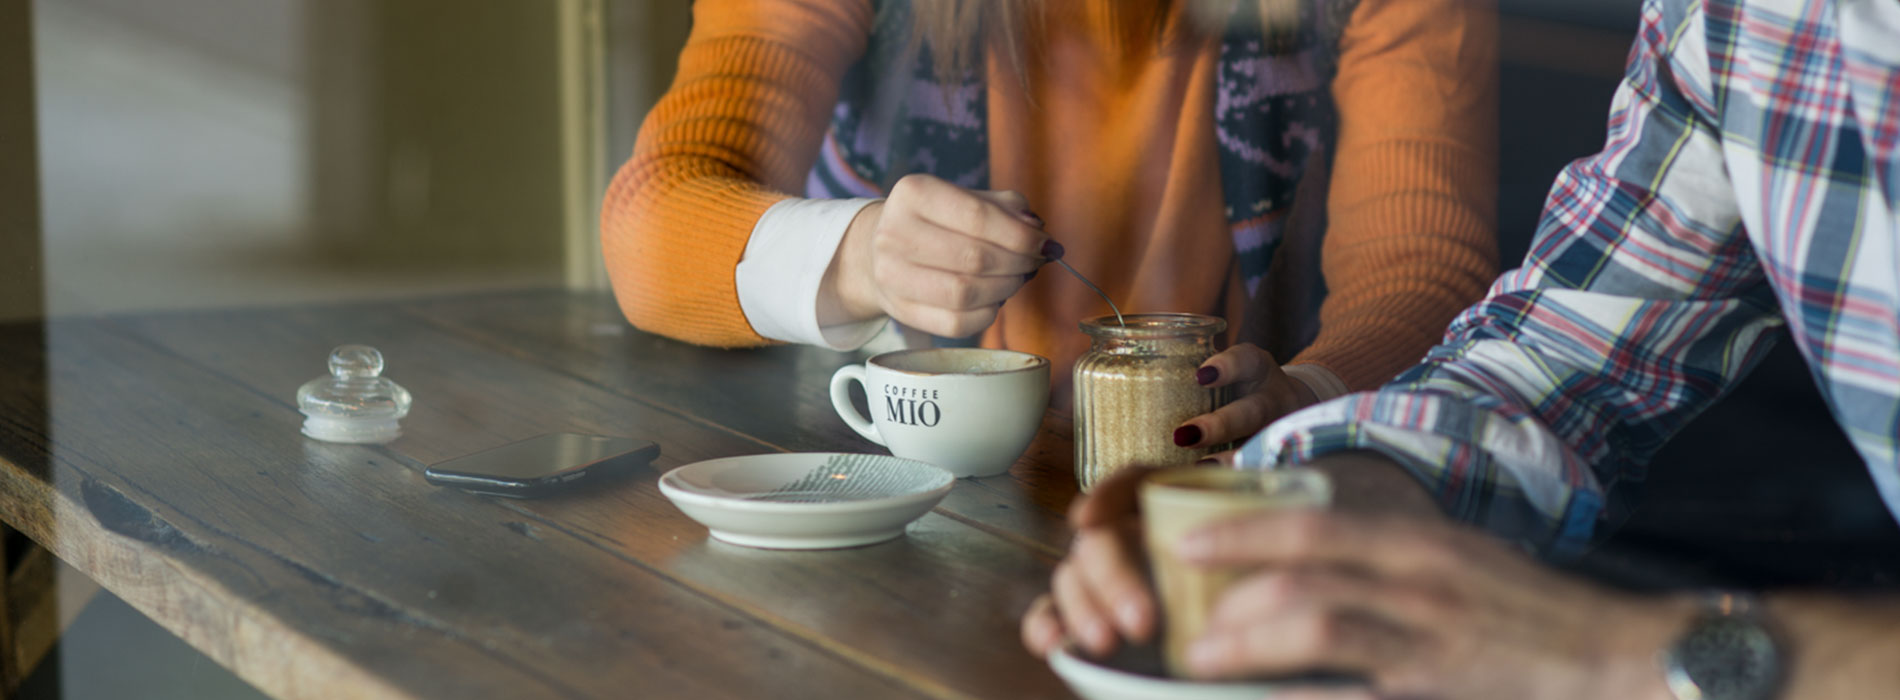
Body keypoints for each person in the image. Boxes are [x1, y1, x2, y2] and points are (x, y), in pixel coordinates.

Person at [1023, 0, 1900, 696]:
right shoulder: (1736, 17)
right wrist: (1323, 492)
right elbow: (1568, 343)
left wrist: (1622, 655)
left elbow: (1420, 271)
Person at [602, 0, 1499, 445]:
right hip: (882, 478)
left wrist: (1307, 397)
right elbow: (653, 222)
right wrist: (861, 257)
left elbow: (1423, 270)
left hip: (1215, 496)